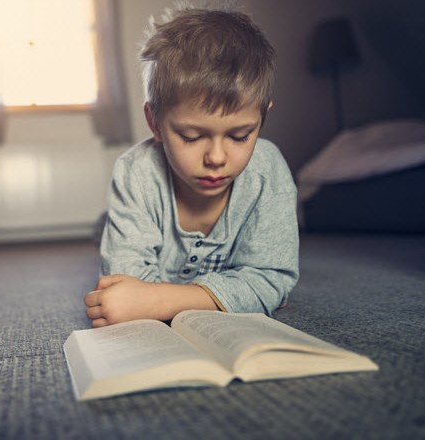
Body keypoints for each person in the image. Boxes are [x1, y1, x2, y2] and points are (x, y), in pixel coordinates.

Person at [85, 6, 299, 328]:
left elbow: (272, 280)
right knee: (110, 231)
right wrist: (239, 293)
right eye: (191, 136)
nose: (216, 157)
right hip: (139, 211)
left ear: (262, 118)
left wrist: (155, 300)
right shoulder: (136, 173)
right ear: (154, 123)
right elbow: (124, 284)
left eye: (240, 136)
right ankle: (104, 226)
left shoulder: (268, 173)